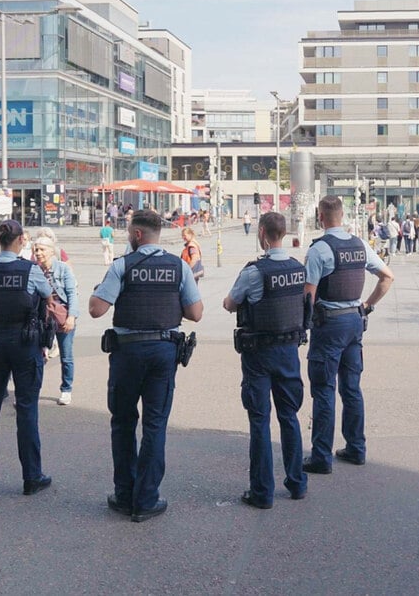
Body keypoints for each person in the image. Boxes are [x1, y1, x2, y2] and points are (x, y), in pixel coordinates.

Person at [89, 209, 203, 522]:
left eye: (128, 231)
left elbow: (96, 310)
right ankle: (147, 499)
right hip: (164, 353)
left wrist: (102, 289)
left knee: (123, 422)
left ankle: (124, 496)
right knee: (155, 424)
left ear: (138, 235)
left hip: (127, 354)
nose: (127, 235)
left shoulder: (122, 266)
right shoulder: (178, 266)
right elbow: (196, 313)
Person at [302, 195, 394, 474]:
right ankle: (356, 448)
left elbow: (308, 297)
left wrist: (301, 329)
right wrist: (367, 306)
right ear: (342, 216)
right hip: (355, 322)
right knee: (351, 388)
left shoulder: (319, 250)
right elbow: (387, 277)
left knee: (324, 391)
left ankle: (321, 457)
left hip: (329, 326)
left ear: (321, 217)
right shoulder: (360, 245)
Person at [222, 212, 308, 509]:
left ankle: (262, 493)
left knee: (260, 421)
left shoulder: (254, 271)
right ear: (283, 234)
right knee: (289, 417)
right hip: (289, 353)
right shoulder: (298, 268)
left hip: (258, 353)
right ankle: (297, 484)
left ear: (262, 233)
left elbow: (229, 303)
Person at [0, 220, 55, 496]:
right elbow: (46, 294)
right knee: (27, 409)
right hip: (24, 342)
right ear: (20, 240)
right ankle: (32, 477)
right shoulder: (30, 270)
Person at [33, 235, 79, 405]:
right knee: (36, 356)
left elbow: (72, 293)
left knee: (66, 357)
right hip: (41, 319)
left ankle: (66, 389)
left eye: (42, 249)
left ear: (52, 251)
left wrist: (71, 317)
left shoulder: (63, 269)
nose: (38, 253)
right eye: (36, 250)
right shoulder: (34, 269)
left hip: (62, 317)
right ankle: (33, 390)